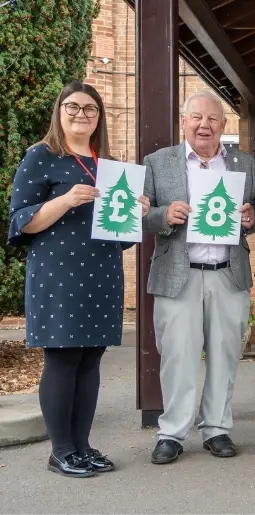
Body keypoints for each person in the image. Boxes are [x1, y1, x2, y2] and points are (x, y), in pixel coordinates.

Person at [7, 81, 150, 477]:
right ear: (59, 111)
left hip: (102, 270)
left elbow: (119, 238)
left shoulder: (109, 165)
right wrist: (66, 199)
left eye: (90, 109)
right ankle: (61, 450)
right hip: (58, 273)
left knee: (91, 359)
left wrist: (133, 212)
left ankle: (83, 447)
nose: (81, 115)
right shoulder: (40, 157)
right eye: (72, 107)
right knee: (63, 357)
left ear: (99, 117)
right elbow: (21, 222)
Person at [142, 90, 255, 464]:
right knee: (178, 356)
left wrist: (250, 218)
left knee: (225, 354)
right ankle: (173, 433)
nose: (204, 125)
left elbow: (252, 214)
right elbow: (140, 214)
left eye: (212, 119)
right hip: (179, 274)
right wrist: (163, 216)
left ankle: (217, 429)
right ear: (184, 122)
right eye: (196, 117)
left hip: (227, 273)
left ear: (224, 125)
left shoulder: (243, 162)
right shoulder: (158, 163)